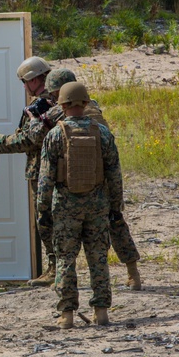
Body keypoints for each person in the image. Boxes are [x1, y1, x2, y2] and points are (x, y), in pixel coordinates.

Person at [30, 68, 143, 291]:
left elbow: (35, 135)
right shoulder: (93, 105)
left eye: (53, 95)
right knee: (116, 224)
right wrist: (116, 197)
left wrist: (35, 119)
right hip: (102, 177)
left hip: (76, 186)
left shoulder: (61, 111)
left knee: (66, 241)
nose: (51, 99)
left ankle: (59, 278)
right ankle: (133, 273)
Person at [37, 81, 124, 329]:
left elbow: (45, 179)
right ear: (85, 103)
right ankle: (101, 311)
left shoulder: (54, 135)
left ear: (62, 105)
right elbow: (115, 175)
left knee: (65, 259)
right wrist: (115, 206)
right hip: (97, 205)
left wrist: (42, 210)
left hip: (65, 205)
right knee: (98, 258)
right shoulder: (103, 133)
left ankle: (66, 315)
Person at [0, 56, 55, 286]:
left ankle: (55, 269)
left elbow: (29, 139)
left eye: (25, 82)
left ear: (36, 80)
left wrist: (1, 142)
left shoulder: (39, 107)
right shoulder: (64, 101)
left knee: (46, 221)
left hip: (43, 172)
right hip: (66, 170)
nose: (25, 87)